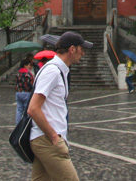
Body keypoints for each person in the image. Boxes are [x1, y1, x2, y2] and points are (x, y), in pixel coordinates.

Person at [27, 31, 92, 181]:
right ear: (72, 49)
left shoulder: (57, 70)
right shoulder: (52, 71)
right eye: (81, 49)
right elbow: (33, 108)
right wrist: (54, 136)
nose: (83, 53)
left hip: (44, 140)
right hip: (47, 141)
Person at [15, 56, 35, 124]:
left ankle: (18, 124)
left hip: (18, 92)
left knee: (19, 109)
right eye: (29, 65)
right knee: (27, 110)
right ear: (25, 65)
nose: (30, 66)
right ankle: (25, 124)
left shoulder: (18, 73)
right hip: (26, 93)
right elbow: (29, 84)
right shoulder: (28, 74)